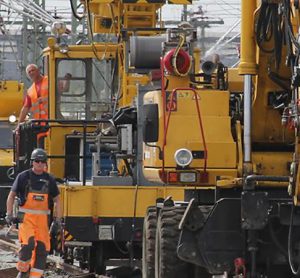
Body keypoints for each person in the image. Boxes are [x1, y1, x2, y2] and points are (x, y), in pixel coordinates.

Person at [6, 148, 61, 278]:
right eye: (37, 161)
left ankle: (35, 276)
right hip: (26, 219)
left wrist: (58, 220)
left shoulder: (50, 179)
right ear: (32, 162)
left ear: (45, 163)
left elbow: (57, 200)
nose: (40, 164)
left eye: (42, 161)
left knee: (42, 250)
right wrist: (9, 214)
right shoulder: (23, 177)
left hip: (43, 222)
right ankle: (23, 271)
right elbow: (11, 196)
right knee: (28, 244)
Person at [17, 64, 49, 129]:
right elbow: (25, 109)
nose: (31, 72)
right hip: (39, 125)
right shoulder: (30, 91)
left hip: (52, 122)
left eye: (33, 70)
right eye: (29, 72)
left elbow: (62, 90)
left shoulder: (49, 80)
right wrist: (18, 126)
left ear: (38, 71)